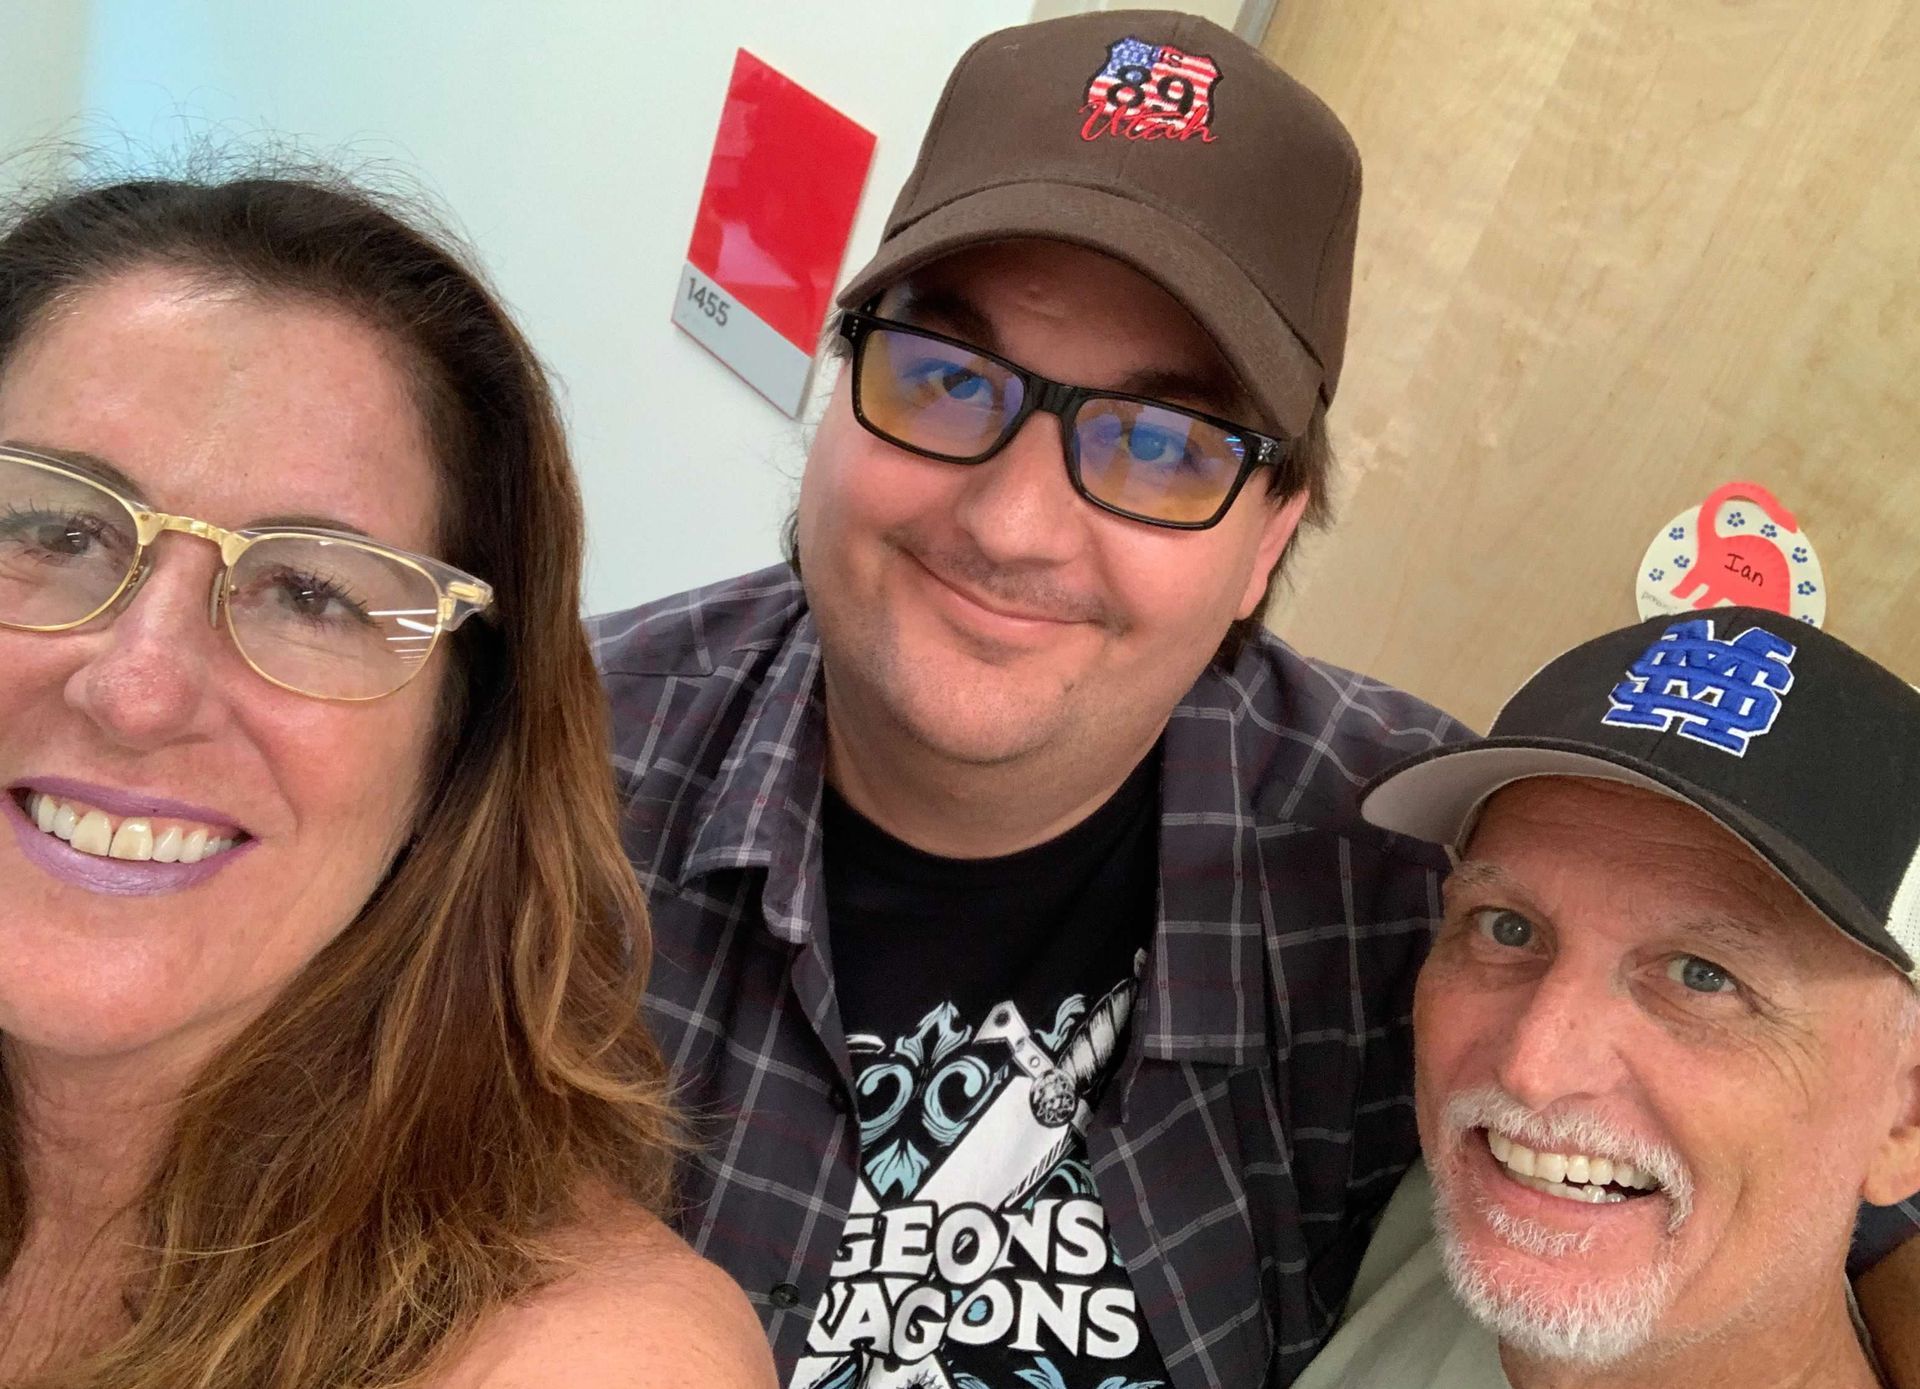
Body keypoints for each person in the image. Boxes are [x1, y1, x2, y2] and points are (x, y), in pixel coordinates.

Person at [594, 11, 1920, 1388]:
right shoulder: (545, 776)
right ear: (840, 394)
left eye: (1162, 444)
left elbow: (1842, 1171)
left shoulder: (1402, 862)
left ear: (1270, 537)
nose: (1013, 523)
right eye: (945, 379)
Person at [0, 172, 774, 1387]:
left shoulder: (585, 1357)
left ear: (457, 744)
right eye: (56, 531)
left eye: (313, 593)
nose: (138, 690)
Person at [1295, 608, 1920, 1388]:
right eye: (1507, 926)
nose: (1531, 1068)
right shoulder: (1405, 1232)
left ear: (1905, 1116)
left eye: (1702, 974)